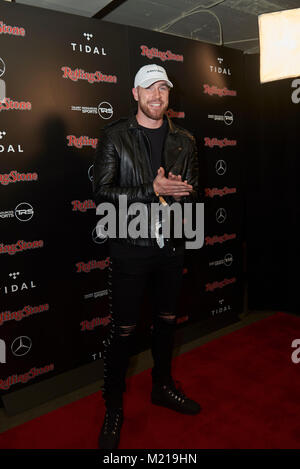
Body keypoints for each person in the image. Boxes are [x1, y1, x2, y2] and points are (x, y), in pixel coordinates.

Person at [93, 64, 201, 450]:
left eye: (163, 89)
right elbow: (102, 195)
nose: (157, 96)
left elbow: (194, 192)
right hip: (131, 249)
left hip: (171, 246)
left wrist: (180, 195)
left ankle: (162, 387)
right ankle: (114, 408)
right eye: (149, 89)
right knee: (123, 332)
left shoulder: (185, 140)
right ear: (134, 93)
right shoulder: (115, 136)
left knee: (167, 321)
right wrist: (149, 188)